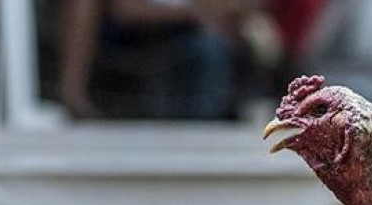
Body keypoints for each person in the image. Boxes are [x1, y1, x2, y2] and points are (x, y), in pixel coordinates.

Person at [56, 0, 255, 120]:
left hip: (192, 37)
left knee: (215, 47)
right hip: (135, 37)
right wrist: (190, 13)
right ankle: (73, 96)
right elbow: (125, 11)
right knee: (209, 51)